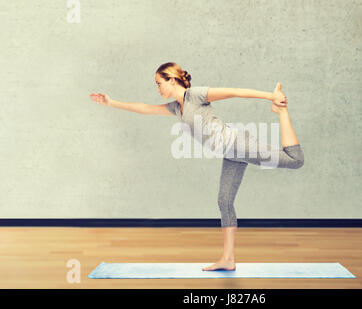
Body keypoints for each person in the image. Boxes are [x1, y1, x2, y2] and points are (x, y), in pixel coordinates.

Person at [89, 62, 304, 271]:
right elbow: (145, 108)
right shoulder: (176, 107)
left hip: (238, 145)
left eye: (158, 83)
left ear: (171, 80)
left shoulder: (196, 95)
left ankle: (282, 113)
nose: (157, 88)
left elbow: (235, 92)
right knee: (224, 201)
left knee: (295, 160)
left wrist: (272, 97)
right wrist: (111, 103)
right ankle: (228, 259)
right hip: (230, 154)